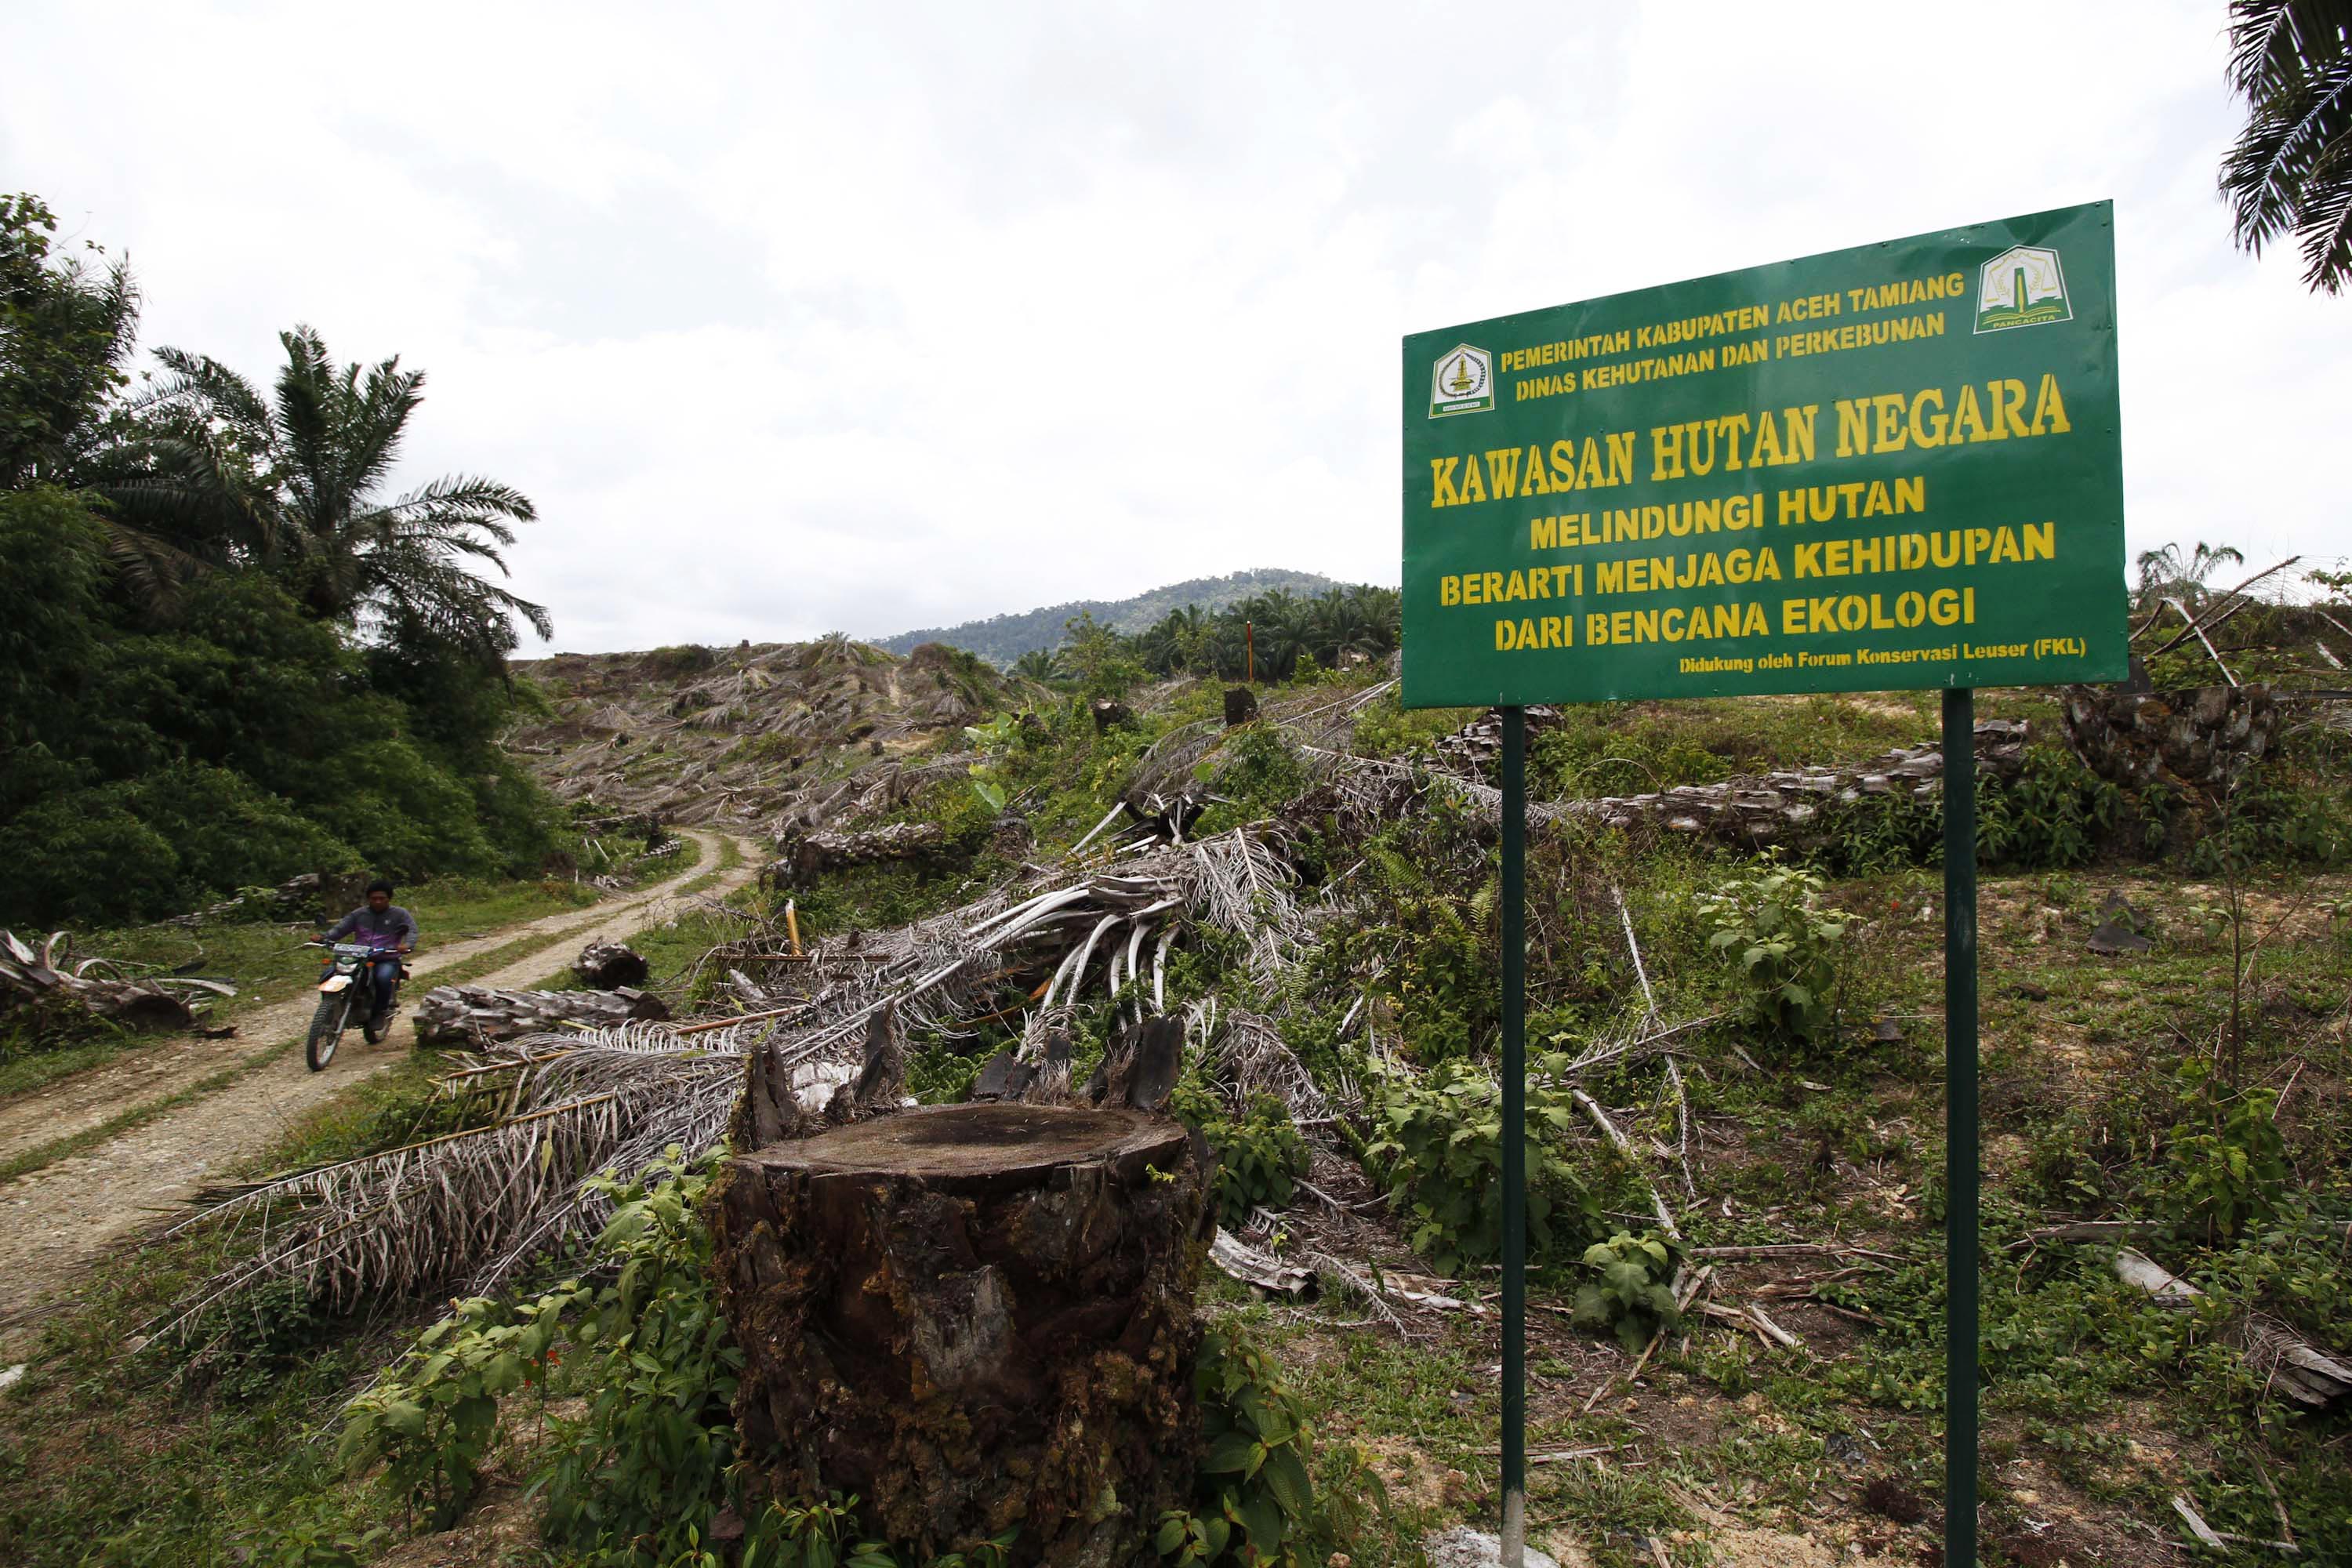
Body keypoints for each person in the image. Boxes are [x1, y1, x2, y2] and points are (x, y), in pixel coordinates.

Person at [325, 879, 418, 1040]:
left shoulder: (400, 914)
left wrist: (407, 944)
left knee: (383, 979)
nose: (378, 901)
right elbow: (340, 929)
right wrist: (324, 937)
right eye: (374, 898)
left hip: (386, 958)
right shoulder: (359, 914)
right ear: (368, 898)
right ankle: (328, 1013)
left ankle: (378, 1013)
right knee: (328, 975)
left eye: (382, 898)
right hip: (358, 957)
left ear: (389, 899)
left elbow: (412, 931)